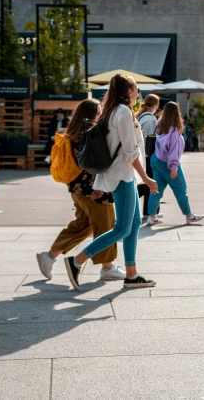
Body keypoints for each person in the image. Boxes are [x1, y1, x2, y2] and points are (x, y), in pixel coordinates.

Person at [64, 74, 159, 290]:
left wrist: (100, 183)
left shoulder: (111, 111)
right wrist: (146, 178)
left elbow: (107, 150)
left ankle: (132, 274)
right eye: (136, 89)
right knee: (122, 228)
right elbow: (128, 152)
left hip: (119, 176)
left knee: (133, 225)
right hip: (124, 176)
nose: (138, 93)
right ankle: (76, 260)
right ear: (128, 91)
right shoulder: (123, 112)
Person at [36, 99, 125, 282]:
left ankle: (49, 255)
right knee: (106, 226)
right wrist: (100, 187)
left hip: (77, 189)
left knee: (83, 225)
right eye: (99, 113)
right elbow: (93, 165)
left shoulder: (72, 134)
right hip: (93, 190)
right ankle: (107, 268)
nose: (101, 116)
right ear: (91, 115)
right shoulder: (89, 134)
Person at [145, 102, 204, 226]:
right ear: (177, 113)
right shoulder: (174, 129)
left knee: (156, 188)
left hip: (156, 159)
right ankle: (189, 215)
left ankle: (152, 216)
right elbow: (174, 150)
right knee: (180, 188)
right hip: (167, 163)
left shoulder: (160, 124)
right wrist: (173, 167)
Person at [136, 94, 161, 221]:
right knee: (149, 183)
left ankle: (152, 210)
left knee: (144, 184)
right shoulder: (150, 119)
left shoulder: (141, 116)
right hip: (147, 155)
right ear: (155, 105)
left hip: (141, 154)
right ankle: (150, 211)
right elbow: (150, 139)